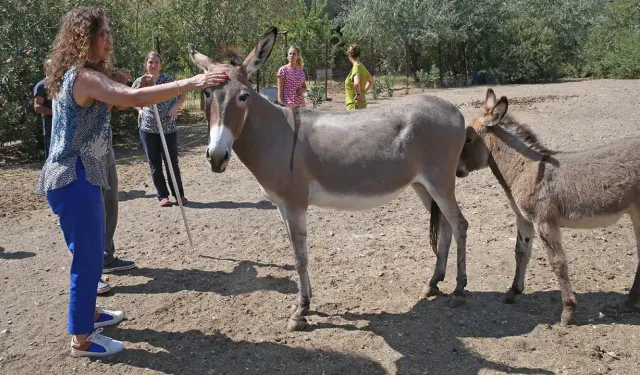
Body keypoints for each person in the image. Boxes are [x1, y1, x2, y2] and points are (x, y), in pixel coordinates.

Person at [36, 6, 227, 357]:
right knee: (89, 259)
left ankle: (90, 313)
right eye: (103, 34)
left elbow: (104, 107)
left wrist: (119, 85)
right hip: (73, 178)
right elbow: (134, 100)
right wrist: (193, 81)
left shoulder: (80, 76)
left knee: (90, 253)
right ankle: (82, 338)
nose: (110, 40)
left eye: (109, 32)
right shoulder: (84, 77)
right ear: (84, 39)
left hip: (77, 176)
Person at [132, 52, 189, 207]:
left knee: (172, 163)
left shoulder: (168, 80)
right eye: (151, 62)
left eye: (157, 62)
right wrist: (140, 110)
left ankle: (179, 194)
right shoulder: (140, 82)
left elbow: (182, 96)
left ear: (160, 65)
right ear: (146, 64)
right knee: (155, 163)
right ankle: (162, 196)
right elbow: (131, 99)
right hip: (148, 130)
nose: (154, 65)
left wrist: (174, 107)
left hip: (168, 128)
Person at [33, 60, 53, 159]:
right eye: (51, 66)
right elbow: (37, 107)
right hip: (50, 128)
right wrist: (55, 112)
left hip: (65, 128)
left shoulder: (62, 84)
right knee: (51, 159)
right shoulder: (41, 86)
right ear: (45, 68)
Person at [344, 44, 374, 110]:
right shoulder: (361, 66)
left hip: (354, 106)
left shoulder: (356, 67)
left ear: (349, 54)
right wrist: (363, 91)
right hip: (362, 105)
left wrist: (358, 94)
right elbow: (371, 80)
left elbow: (356, 82)